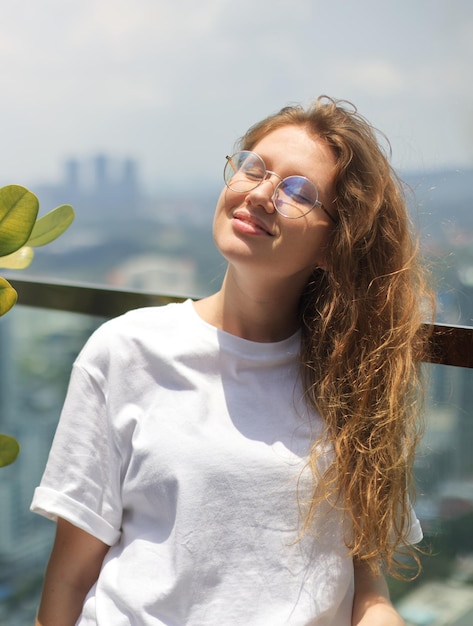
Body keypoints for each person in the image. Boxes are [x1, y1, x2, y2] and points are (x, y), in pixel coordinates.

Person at [31, 95, 431, 625]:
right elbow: (68, 579)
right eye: (253, 168)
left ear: (334, 245)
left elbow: (366, 587)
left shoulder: (355, 378)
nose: (261, 194)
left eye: (298, 191)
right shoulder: (127, 349)